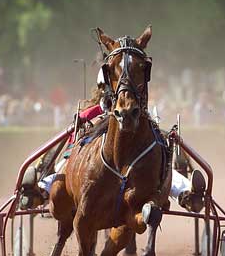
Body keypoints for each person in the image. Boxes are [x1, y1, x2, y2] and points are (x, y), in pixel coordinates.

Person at [19, 69, 205, 213]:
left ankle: (187, 194)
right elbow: (77, 128)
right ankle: (42, 190)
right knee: (65, 168)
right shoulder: (94, 110)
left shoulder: (133, 108)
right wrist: (93, 114)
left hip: (131, 161)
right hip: (87, 158)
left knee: (159, 170)